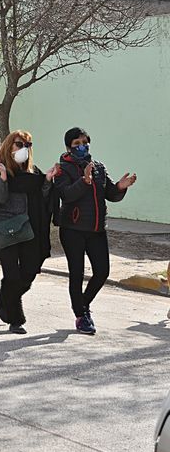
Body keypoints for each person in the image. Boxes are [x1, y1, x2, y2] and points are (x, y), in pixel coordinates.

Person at [54, 127, 136, 334]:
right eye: (76, 144)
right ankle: (81, 316)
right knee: (77, 273)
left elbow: (109, 193)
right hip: (72, 229)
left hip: (96, 229)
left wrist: (120, 187)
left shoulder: (98, 167)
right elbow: (66, 195)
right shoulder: (63, 169)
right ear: (68, 147)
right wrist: (84, 181)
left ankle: (83, 303)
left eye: (84, 142)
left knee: (102, 272)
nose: (82, 146)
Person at [0, 130, 57, 334]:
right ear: (9, 146)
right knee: (12, 275)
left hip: (28, 229)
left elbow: (42, 197)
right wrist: (4, 177)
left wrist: (47, 181)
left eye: (27, 145)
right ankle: (15, 319)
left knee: (30, 271)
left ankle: (4, 296)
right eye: (19, 144)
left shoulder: (33, 172)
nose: (23, 149)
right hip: (5, 229)